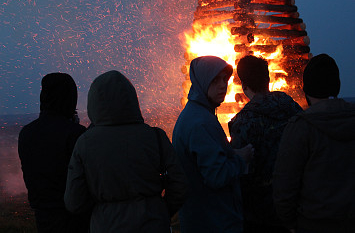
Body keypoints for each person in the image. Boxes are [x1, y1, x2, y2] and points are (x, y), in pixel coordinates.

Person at [64, 70, 187, 233]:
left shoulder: (85, 143)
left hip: (107, 225)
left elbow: (74, 202)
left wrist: (103, 210)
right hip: (153, 223)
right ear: (131, 99)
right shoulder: (155, 136)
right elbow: (179, 184)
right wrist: (162, 210)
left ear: (94, 102)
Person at [273, 54, 355, 233]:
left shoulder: (301, 127)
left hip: (314, 223)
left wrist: (290, 223)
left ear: (306, 88)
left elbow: (285, 183)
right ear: (337, 86)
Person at [172, 56, 253, 233]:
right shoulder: (200, 122)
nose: (223, 85)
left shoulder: (198, 114)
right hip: (212, 222)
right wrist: (241, 159)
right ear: (202, 81)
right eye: (215, 79)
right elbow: (217, 176)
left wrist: (231, 155)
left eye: (225, 79)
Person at [228, 55, 302, 233]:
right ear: (268, 79)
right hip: (294, 202)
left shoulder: (242, 123)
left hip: (259, 213)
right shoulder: (290, 106)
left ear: (244, 86)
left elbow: (241, 171)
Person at [18, 72, 90, 233]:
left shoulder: (26, 132)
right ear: (70, 98)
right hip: (74, 218)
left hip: (43, 216)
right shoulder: (75, 134)